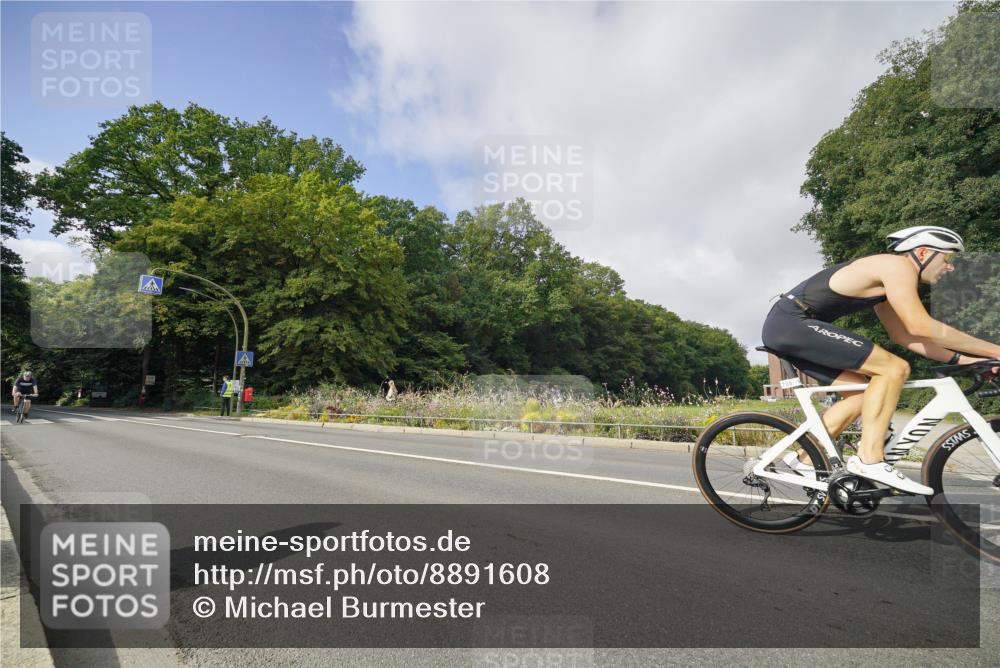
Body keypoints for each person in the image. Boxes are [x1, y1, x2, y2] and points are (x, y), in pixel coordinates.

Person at [762, 226, 1000, 495]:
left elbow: (905, 336)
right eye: (948, 259)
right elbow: (922, 326)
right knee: (894, 369)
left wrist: (964, 359)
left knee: (860, 395)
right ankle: (870, 459)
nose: (950, 268)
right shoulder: (897, 267)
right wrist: (995, 351)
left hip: (790, 326)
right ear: (922, 252)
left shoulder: (887, 281)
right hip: (792, 324)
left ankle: (804, 460)